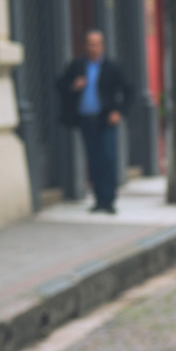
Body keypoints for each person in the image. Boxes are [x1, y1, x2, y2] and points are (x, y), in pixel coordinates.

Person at [56, 30, 133, 214]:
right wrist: (74, 86)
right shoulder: (78, 65)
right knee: (93, 159)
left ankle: (109, 199)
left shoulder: (112, 67)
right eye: (90, 43)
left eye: (96, 43)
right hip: (85, 119)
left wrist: (118, 112)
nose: (93, 47)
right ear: (85, 46)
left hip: (105, 120)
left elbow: (129, 90)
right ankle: (98, 199)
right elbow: (59, 84)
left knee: (108, 157)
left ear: (103, 46)